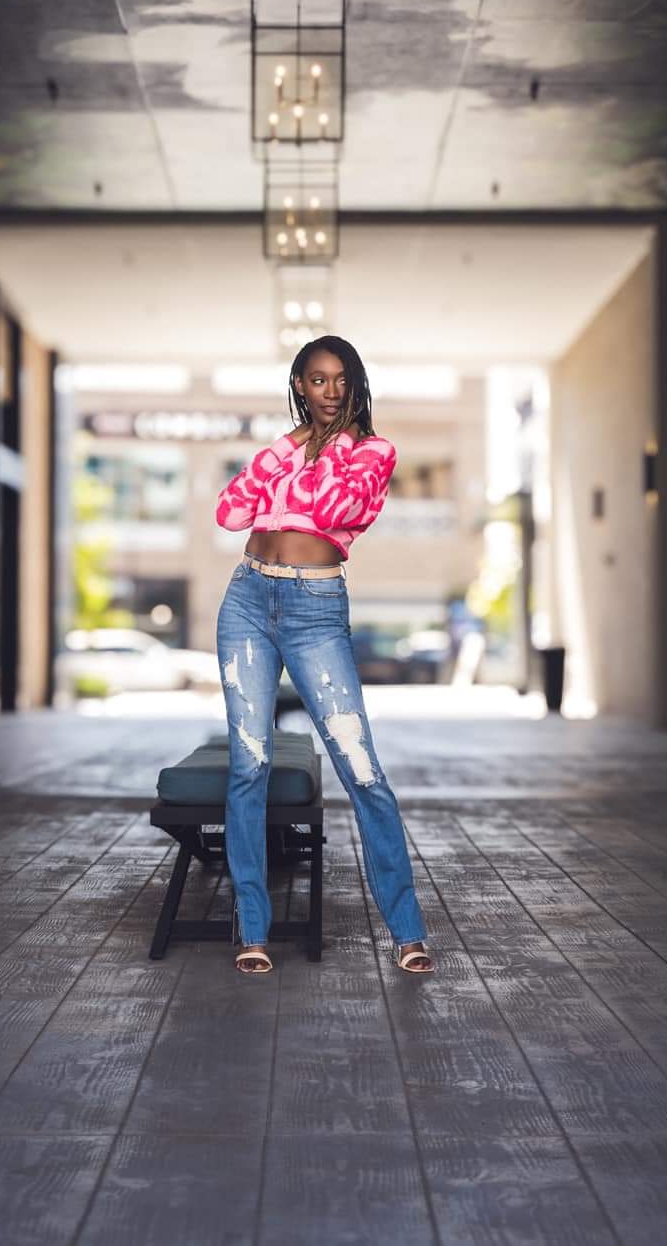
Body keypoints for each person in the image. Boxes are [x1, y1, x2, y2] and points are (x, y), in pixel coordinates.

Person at [215, 336, 433, 976]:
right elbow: (231, 511)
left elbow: (335, 508)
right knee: (247, 767)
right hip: (248, 601)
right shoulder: (285, 447)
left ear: (356, 384)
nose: (330, 391)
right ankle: (252, 930)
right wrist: (292, 448)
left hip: (315, 610)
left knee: (361, 769)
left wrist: (296, 472)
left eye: (340, 379)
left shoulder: (375, 452)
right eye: (316, 380)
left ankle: (408, 929)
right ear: (300, 386)